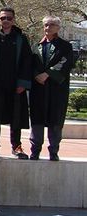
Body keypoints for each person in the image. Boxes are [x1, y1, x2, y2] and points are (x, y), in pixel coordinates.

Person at [0, 7, 32, 159]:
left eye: (9, 18)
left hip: (15, 85)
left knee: (16, 116)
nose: (6, 21)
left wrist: (22, 83)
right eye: (3, 18)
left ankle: (16, 145)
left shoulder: (21, 39)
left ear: (14, 20)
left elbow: (27, 62)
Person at [29, 16, 74, 161]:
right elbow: (30, 63)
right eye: (46, 25)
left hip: (56, 89)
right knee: (37, 119)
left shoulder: (65, 46)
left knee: (55, 119)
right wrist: (36, 75)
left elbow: (65, 63)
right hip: (39, 88)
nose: (48, 27)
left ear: (58, 28)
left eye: (52, 25)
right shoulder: (36, 46)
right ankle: (35, 150)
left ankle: (53, 150)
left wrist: (47, 74)